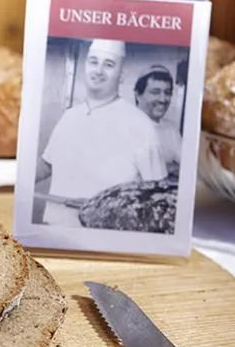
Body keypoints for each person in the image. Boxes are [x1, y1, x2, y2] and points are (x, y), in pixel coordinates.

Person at [36, 39, 167, 227]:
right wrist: (18, 178)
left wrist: (106, 207)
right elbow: (47, 165)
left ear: (121, 76)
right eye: (93, 62)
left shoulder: (140, 124)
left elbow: (159, 195)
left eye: (109, 65)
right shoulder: (70, 116)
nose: (98, 71)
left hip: (106, 235)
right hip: (54, 229)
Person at [134, 64, 183, 179]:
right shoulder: (123, 125)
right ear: (138, 95)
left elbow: (189, 166)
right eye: (155, 92)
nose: (163, 99)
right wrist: (169, 168)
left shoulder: (171, 129)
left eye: (167, 92)